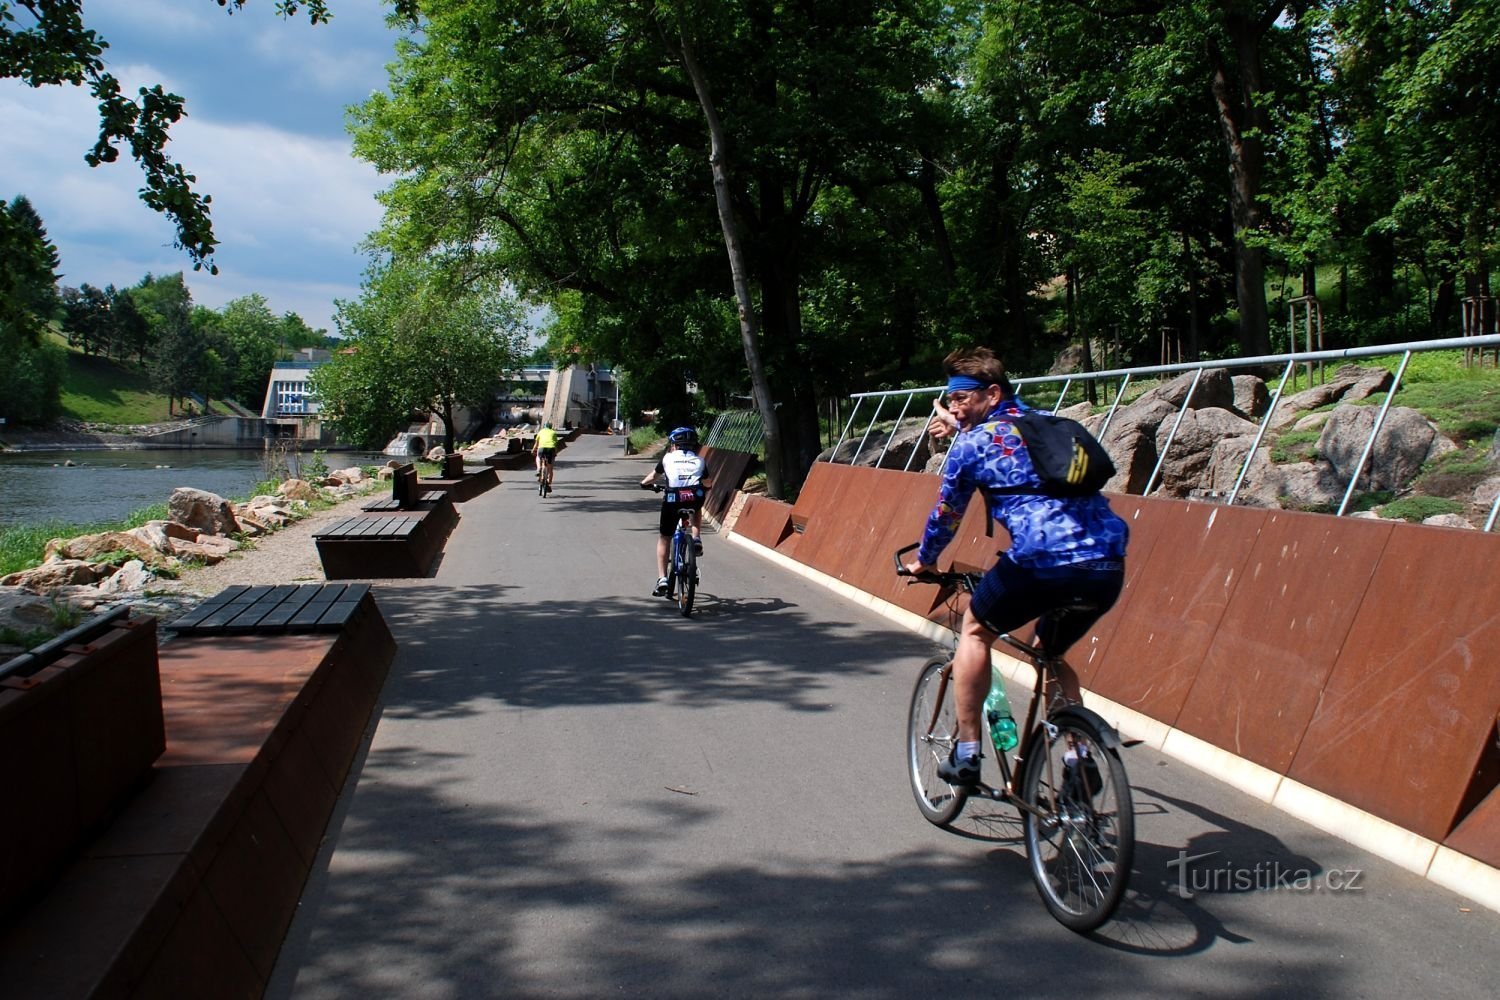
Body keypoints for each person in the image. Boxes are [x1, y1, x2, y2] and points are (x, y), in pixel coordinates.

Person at [904, 346, 1129, 786]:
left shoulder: (972, 444)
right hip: (1105, 565)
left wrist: (924, 561)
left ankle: (967, 753)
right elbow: (1009, 434)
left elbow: (947, 513)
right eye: (949, 401)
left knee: (975, 629)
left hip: (1041, 563)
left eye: (961, 399)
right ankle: (1077, 758)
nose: (954, 408)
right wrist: (961, 423)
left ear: (990, 393)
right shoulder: (1045, 422)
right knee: (1051, 652)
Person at [640, 426, 712, 597]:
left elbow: (652, 477)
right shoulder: (700, 461)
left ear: (674, 444)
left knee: (665, 538)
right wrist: (703, 485)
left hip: (673, 500)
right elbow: (708, 483)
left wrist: (644, 484)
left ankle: (662, 579)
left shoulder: (667, 458)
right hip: (694, 497)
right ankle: (696, 538)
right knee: (696, 507)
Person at [534, 421, 559, 493]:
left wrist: (533, 450)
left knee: (538, 457)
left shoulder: (540, 432)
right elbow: (555, 445)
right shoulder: (553, 432)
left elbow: (536, 444)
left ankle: (539, 468)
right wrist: (556, 453)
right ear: (551, 427)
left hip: (541, 449)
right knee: (550, 469)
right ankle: (549, 484)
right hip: (550, 449)